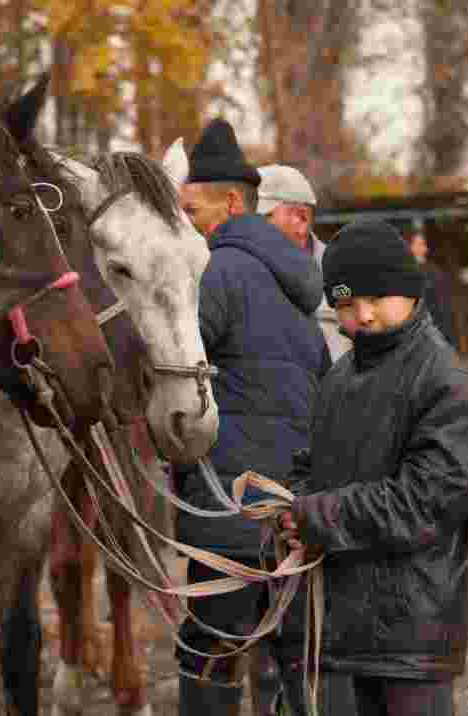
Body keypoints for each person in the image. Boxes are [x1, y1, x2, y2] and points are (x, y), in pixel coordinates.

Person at [279, 219, 468, 716]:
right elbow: (315, 464)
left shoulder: (442, 379)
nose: (363, 316)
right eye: (347, 305)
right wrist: (289, 505)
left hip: (413, 631)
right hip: (347, 627)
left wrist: (319, 517)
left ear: (409, 290)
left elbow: (430, 499)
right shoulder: (338, 378)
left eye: (375, 298)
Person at [174, 119, 330, 716]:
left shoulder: (215, 273)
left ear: (232, 202)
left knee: (210, 656)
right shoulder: (297, 291)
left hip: (227, 511)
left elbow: (173, 370)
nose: (184, 222)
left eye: (191, 208)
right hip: (291, 516)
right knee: (289, 662)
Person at [258, 164, 351, 360]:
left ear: (302, 218)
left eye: (265, 216)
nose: (253, 225)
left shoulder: (343, 273)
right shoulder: (245, 272)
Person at [405, 220, 458, 347]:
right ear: (411, 247)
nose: (425, 248)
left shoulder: (431, 270)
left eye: (423, 244)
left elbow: (442, 304)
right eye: (420, 244)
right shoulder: (411, 271)